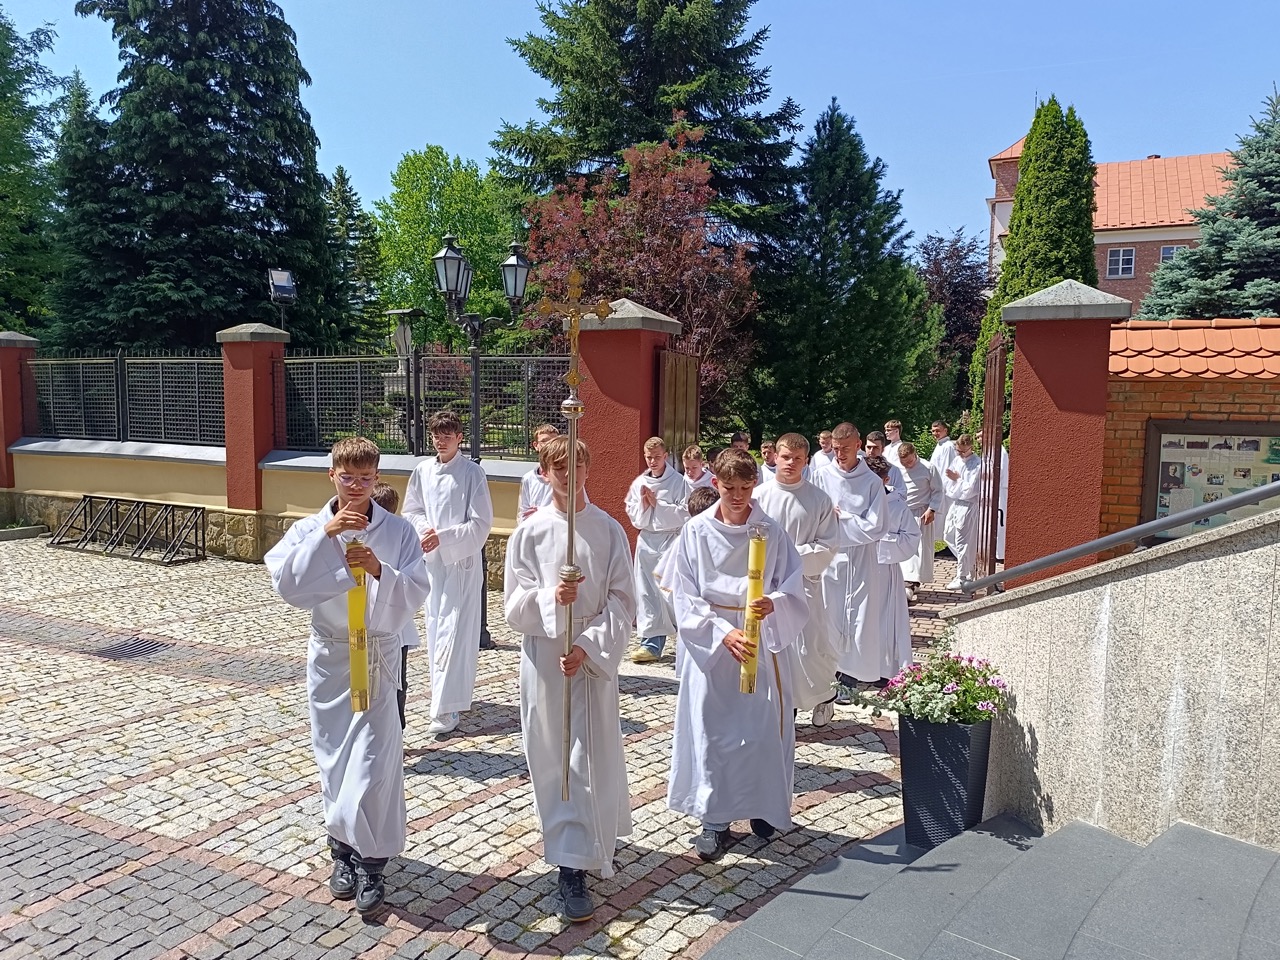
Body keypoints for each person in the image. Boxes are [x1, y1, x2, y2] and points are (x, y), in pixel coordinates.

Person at [265, 437, 430, 915]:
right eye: (348, 477)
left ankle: (372, 864)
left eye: (366, 478)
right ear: (331, 476)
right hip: (333, 658)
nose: (357, 487)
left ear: (377, 479)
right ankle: (341, 850)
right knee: (335, 758)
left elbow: (417, 589)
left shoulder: (398, 530)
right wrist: (327, 537)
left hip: (376, 655)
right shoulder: (308, 527)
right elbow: (287, 584)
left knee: (374, 763)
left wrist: (379, 569)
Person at [504, 436, 635, 923]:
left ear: (588, 469)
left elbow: (623, 599)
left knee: (590, 755)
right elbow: (513, 606)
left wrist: (587, 646)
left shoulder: (608, 530)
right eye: (559, 467)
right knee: (556, 758)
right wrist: (551, 599)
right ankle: (568, 861)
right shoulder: (529, 533)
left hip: (591, 658)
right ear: (544, 473)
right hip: (545, 657)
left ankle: (586, 848)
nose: (569, 474)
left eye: (578, 465)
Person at [667, 448, 808, 862]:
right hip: (713, 643)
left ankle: (762, 807)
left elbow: (793, 583)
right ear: (716, 484)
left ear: (755, 485)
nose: (738, 496)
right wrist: (722, 633)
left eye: (746, 488)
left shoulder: (770, 530)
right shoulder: (695, 531)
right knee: (714, 732)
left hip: (758, 638)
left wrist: (774, 602)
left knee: (761, 730)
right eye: (729, 488)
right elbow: (684, 594)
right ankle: (714, 820)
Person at [402, 411, 495, 738]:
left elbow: (481, 522)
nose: (441, 441)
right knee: (435, 628)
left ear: (459, 438)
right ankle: (445, 695)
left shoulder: (472, 473)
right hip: (433, 564)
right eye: (436, 436)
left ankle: (446, 706)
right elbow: (411, 510)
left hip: (461, 563)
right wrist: (425, 530)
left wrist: (445, 537)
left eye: (447, 436)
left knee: (455, 632)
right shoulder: (423, 471)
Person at [754, 433, 840, 727]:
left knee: (809, 648)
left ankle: (825, 695)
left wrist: (788, 554)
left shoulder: (818, 500)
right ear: (774, 457)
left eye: (797, 458)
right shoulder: (758, 497)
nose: (790, 463)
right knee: (774, 649)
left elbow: (827, 546)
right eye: (786, 457)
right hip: (767, 587)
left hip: (803, 585)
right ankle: (783, 707)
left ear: (806, 461)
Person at [813, 422, 888, 690]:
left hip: (860, 559)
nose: (839, 454)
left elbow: (876, 527)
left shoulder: (872, 483)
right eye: (835, 448)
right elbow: (813, 516)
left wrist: (842, 518)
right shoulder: (820, 476)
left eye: (845, 448)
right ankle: (826, 676)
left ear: (858, 445)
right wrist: (831, 521)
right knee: (827, 614)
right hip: (828, 557)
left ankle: (849, 678)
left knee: (858, 617)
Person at [625, 436, 688, 663]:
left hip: (670, 540)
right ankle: (651, 644)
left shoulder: (679, 482)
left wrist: (658, 506)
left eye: (657, 457)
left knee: (671, 590)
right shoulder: (639, 483)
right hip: (647, 541)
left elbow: (686, 512)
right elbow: (632, 513)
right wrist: (643, 504)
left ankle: (685, 641)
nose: (653, 461)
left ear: (666, 456)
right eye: (649, 457)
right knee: (647, 592)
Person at [865, 456, 920, 683]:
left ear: (886, 480)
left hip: (884, 571)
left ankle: (882, 669)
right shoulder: (856, 501)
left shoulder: (897, 506)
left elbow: (911, 537)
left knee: (882, 620)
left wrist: (880, 542)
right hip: (856, 569)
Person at [370, 481, 413, 730]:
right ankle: (394, 727)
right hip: (390, 625)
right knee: (394, 680)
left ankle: (396, 728)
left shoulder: (400, 534)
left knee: (395, 680)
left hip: (394, 626)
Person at [895, 442, 942, 602]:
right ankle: (905, 581)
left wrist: (932, 509)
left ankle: (911, 583)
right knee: (901, 546)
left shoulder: (928, 468)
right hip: (901, 512)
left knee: (918, 549)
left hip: (921, 513)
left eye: (909, 461)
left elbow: (938, 490)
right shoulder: (896, 468)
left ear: (915, 455)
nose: (907, 465)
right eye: (904, 462)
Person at [941, 434, 982, 589]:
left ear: (971, 448)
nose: (960, 454)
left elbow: (971, 489)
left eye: (963, 451)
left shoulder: (977, 464)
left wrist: (957, 479)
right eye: (958, 450)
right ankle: (969, 565)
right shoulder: (957, 460)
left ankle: (962, 576)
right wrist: (953, 481)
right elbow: (947, 482)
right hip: (956, 502)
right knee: (948, 534)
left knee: (963, 541)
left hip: (968, 505)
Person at [518, 424, 561, 523]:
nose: (549, 445)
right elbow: (523, 513)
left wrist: (541, 513)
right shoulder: (528, 478)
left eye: (553, 441)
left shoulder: (567, 476)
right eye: (544, 441)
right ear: (536, 445)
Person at [929, 421, 959, 556]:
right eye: (933, 431)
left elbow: (947, 469)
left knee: (947, 519)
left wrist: (941, 489)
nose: (935, 433)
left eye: (938, 430)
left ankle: (952, 548)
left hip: (945, 490)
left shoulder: (948, 447)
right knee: (941, 521)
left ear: (945, 430)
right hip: (937, 487)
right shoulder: (940, 445)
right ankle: (948, 546)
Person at [996, 444, 1009, 563]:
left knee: (999, 522)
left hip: (999, 490)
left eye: (980, 437)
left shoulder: (1000, 451)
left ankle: (1000, 553)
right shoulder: (990, 451)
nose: (978, 440)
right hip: (993, 490)